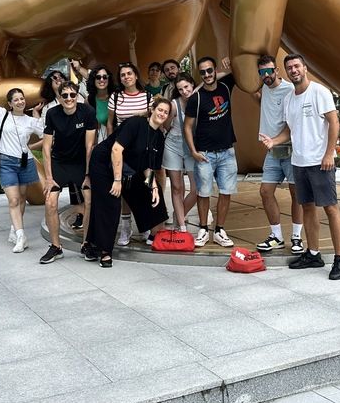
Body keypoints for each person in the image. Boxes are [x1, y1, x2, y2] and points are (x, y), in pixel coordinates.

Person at [261, 54, 340, 279]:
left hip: (320, 162)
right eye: (289, 67)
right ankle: (313, 254)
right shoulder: (289, 98)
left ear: (305, 68)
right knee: (307, 207)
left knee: (330, 208)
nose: (293, 70)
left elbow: (334, 122)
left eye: (297, 66)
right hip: (298, 162)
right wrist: (273, 141)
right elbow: (289, 129)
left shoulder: (319, 92)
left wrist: (329, 154)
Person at [84, 97, 171, 267]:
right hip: (104, 163)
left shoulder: (159, 137)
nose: (162, 114)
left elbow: (148, 167)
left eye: (166, 112)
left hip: (127, 169)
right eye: (160, 109)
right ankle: (104, 251)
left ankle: (152, 234)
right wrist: (117, 180)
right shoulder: (136, 123)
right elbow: (116, 150)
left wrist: (153, 186)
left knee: (153, 193)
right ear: (152, 109)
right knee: (111, 202)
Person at [0, 63, 45, 253]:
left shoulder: (31, 121)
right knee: (14, 200)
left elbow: (46, 135)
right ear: (9, 103)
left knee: (22, 198)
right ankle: (21, 236)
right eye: (16, 100)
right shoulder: (1, 115)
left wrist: (38, 115)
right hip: (6, 163)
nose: (20, 102)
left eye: (22, 98)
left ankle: (14, 230)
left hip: (25, 162)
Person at [40, 81, 98, 264]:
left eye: (72, 95)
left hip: (81, 163)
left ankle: (86, 243)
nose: (69, 98)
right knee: (50, 202)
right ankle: (56, 246)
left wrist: (88, 175)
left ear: (77, 96)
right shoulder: (52, 114)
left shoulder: (87, 112)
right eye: (64, 95)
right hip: (60, 163)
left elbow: (90, 146)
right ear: (59, 97)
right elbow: (46, 147)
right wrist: (49, 178)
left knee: (89, 200)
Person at [252, 54, 304, 254]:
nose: (266, 75)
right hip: (272, 151)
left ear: (276, 70)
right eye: (262, 72)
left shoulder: (290, 90)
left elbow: (293, 122)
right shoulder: (264, 88)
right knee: (265, 191)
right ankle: (277, 236)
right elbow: (255, 93)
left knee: (296, 194)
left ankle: (297, 237)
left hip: (290, 149)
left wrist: (276, 140)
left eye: (269, 71)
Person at [184, 55, 237, 248]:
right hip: (205, 153)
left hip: (227, 151)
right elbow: (187, 127)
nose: (207, 75)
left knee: (226, 191)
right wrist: (193, 151)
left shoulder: (225, 87)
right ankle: (204, 229)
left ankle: (220, 230)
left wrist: (229, 63)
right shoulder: (196, 98)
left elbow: (239, 71)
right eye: (203, 72)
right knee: (203, 193)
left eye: (209, 70)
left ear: (215, 70)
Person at [109, 61, 151, 245]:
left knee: (144, 186)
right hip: (122, 148)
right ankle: (126, 227)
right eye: (123, 75)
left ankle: (146, 225)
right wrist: (111, 144)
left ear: (136, 75)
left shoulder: (147, 96)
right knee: (126, 188)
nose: (126, 77)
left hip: (142, 147)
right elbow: (110, 123)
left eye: (129, 73)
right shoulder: (116, 97)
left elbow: (153, 120)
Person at [164, 73, 198, 231]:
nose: (184, 91)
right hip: (173, 145)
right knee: (177, 187)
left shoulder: (198, 98)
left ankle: (178, 215)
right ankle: (182, 227)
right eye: (180, 89)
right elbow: (166, 126)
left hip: (192, 147)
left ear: (192, 84)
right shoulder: (174, 104)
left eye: (186, 87)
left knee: (197, 189)